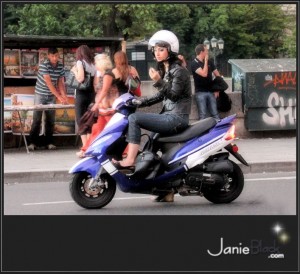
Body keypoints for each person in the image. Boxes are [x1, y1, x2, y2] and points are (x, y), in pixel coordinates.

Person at [113, 30, 192, 202]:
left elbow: (174, 95)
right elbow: (160, 96)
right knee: (151, 144)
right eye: (155, 49)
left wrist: (158, 81)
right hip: (170, 116)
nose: (157, 52)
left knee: (135, 119)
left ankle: (130, 160)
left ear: (170, 50)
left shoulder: (180, 71)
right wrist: (139, 102)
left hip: (176, 118)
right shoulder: (167, 69)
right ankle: (165, 191)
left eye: (161, 49)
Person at [76, 53, 118, 158]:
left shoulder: (108, 74)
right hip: (103, 108)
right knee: (97, 129)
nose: (95, 65)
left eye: (96, 63)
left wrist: (96, 104)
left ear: (101, 63)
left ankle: (87, 150)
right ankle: (87, 150)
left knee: (111, 130)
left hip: (108, 108)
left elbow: (104, 91)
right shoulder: (104, 74)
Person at [28, 48, 68, 151]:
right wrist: (59, 96)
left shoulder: (60, 65)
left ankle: (49, 142)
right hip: (40, 94)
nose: (55, 58)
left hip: (51, 96)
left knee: (50, 120)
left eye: (56, 56)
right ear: (49, 56)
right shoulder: (43, 65)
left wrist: (64, 96)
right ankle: (32, 142)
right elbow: (49, 83)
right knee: (37, 119)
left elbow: (60, 82)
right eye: (53, 56)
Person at [71, 45, 96, 148]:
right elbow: (94, 82)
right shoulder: (93, 64)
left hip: (81, 94)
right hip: (91, 94)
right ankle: (90, 144)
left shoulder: (80, 62)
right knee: (89, 120)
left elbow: (80, 79)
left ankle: (85, 146)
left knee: (80, 120)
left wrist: (74, 71)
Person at [191, 44, 221, 121]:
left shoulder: (210, 62)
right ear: (202, 52)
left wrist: (217, 89)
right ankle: (204, 132)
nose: (207, 53)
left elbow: (217, 75)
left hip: (211, 91)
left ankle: (218, 131)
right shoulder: (194, 63)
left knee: (215, 114)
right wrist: (206, 61)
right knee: (203, 115)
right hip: (200, 92)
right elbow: (204, 74)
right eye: (206, 51)